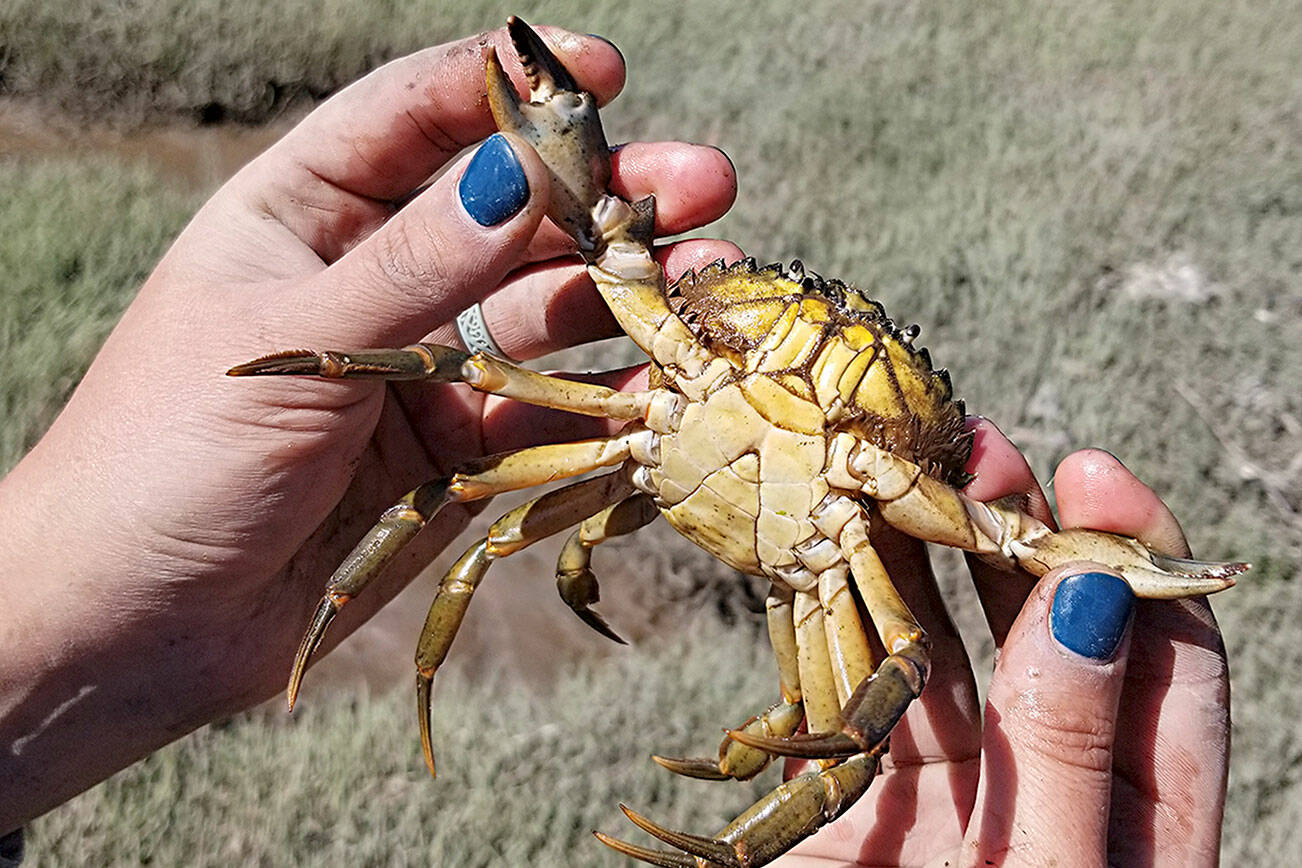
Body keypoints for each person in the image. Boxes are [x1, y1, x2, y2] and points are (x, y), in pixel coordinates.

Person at [0, 23, 1228, 867]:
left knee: (863, 710)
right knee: (472, 503)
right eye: (803, 305)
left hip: (835, 531)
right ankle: (414, 672)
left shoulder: (879, 509)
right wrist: (338, 353)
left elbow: (985, 553)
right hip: (682, 422)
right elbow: (486, 349)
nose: (824, 338)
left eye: (858, 339)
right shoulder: (677, 334)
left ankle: (732, 835)